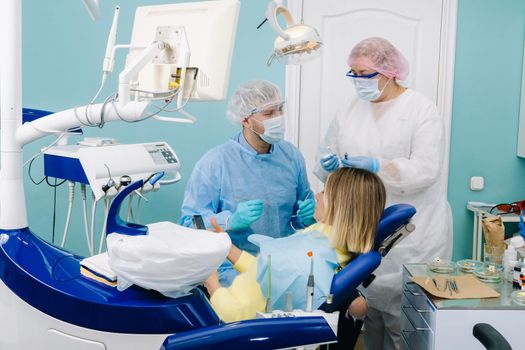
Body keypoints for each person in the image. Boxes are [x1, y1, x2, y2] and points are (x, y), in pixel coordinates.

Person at [314, 37, 452, 350]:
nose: (357, 81)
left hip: (411, 233)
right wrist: (327, 166)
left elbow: (427, 169)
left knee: (405, 322)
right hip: (362, 230)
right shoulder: (349, 110)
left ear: (388, 72)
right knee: (369, 315)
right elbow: (326, 162)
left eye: (363, 73)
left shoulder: (420, 110)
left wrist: (380, 165)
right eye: (353, 73)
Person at [204, 168, 386, 347]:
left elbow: (241, 319)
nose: (317, 195)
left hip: (230, 322)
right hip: (233, 302)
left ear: (339, 205)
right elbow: (270, 270)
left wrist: (212, 285)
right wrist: (228, 248)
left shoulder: (309, 259)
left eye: (324, 191)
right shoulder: (323, 242)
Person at [178, 80, 315, 286]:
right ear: (246, 120)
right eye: (269, 113)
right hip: (234, 272)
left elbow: (299, 216)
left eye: (280, 110)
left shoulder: (291, 156)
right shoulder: (216, 163)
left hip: (284, 265)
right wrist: (229, 222)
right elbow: (189, 224)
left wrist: (305, 217)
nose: (279, 118)